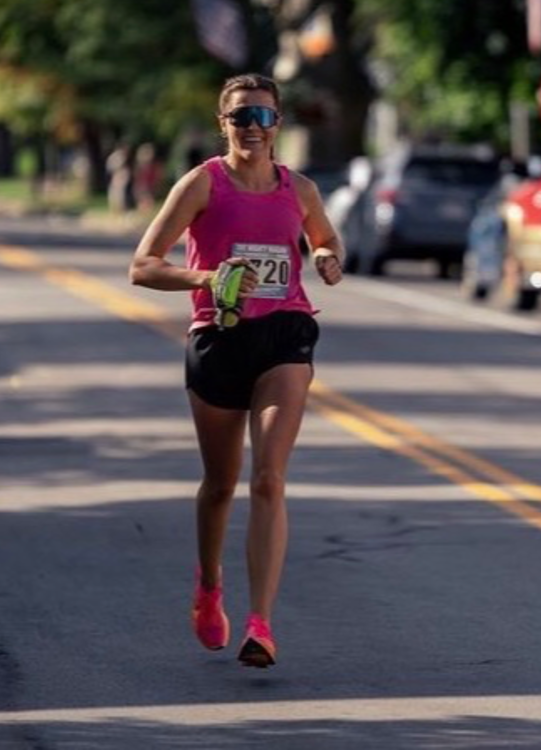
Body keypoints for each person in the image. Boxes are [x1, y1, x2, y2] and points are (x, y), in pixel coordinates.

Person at [130, 73, 343, 668]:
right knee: (221, 484)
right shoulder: (202, 184)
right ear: (223, 123)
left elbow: (323, 238)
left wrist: (326, 257)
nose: (253, 127)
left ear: (279, 125)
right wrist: (205, 277)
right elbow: (142, 266)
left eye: (264, 117)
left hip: (285, 335)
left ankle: (262, 623)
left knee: (269, 478)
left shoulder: (298, 188)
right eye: (242, 117)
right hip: (219, 339)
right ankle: (208, 586)